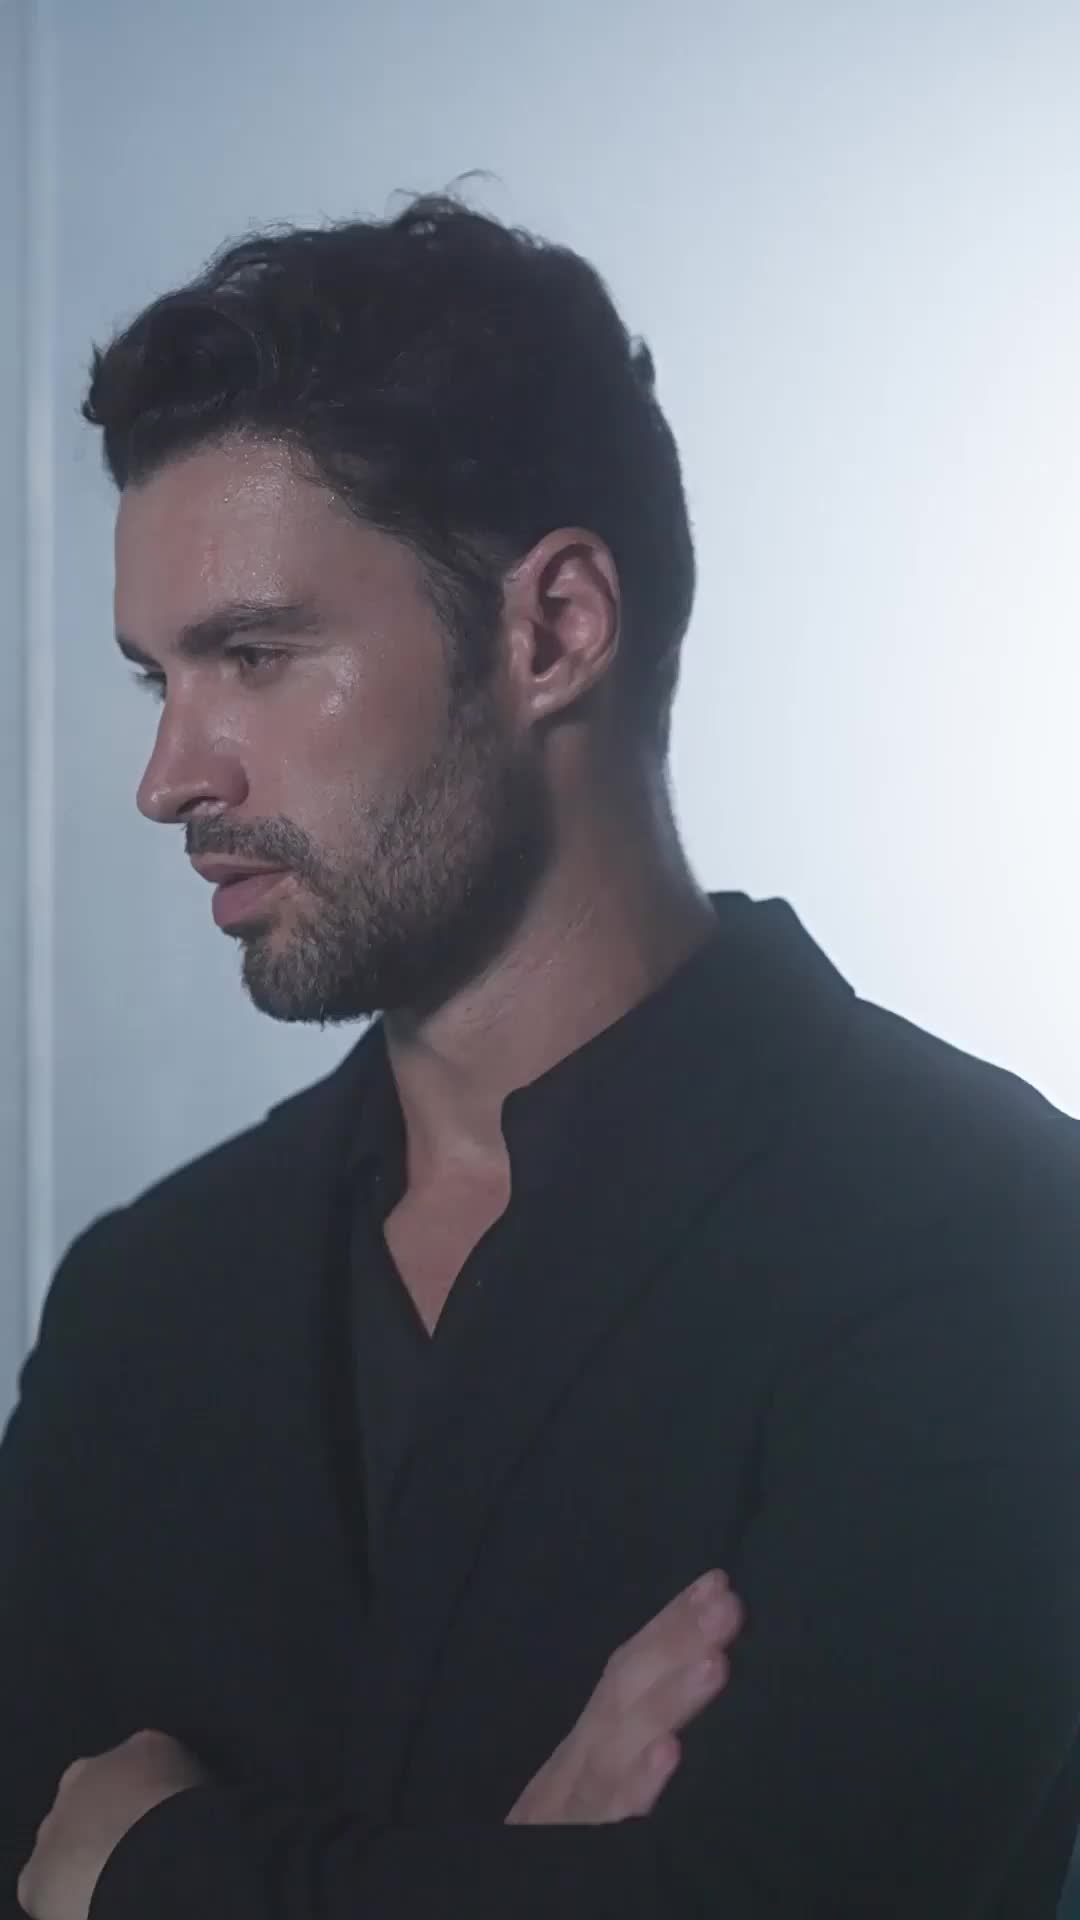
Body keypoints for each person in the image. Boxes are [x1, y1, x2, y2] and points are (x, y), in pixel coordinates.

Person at [5, 196, 1080, 1920]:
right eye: (157, 682)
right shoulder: (144, 1300)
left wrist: (158, 1871)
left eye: (255, 657)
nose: (172, 778)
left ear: (556, 628)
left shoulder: (990, 1232)